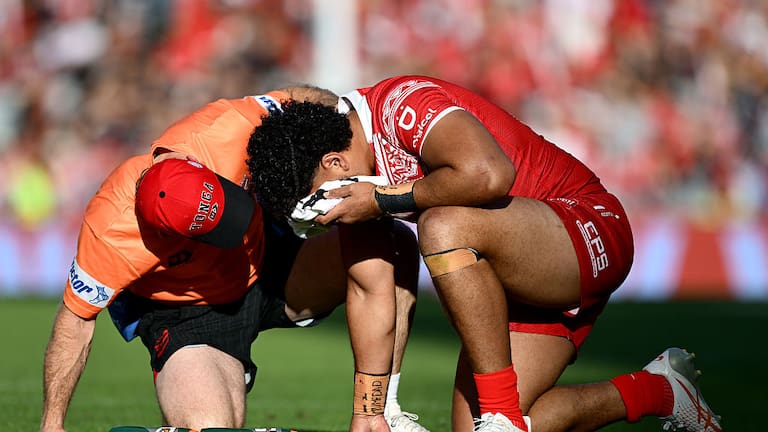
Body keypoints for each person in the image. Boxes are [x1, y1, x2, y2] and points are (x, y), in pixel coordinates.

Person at [245, 75, 723, 432]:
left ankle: (501, 414)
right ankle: (662, 391)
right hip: (511, 269)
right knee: (471, 427)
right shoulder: (357, 184)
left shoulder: (401, 106)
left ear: (334, 161)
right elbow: (375, 292)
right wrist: (373, 413)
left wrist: (383, 200)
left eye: (315, 198)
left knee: (443, 224)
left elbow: (489, 175)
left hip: (585, 228)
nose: (322, 213)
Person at [41, 87, 431, 432]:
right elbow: (75, 320)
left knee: (389, 241)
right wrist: (52, 423)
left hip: (271, 257)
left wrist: (342, 149)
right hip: (188, 316)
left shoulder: (223, 128)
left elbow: (314, 100)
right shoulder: (109, 231)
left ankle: (382, 412)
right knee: (211, 426)